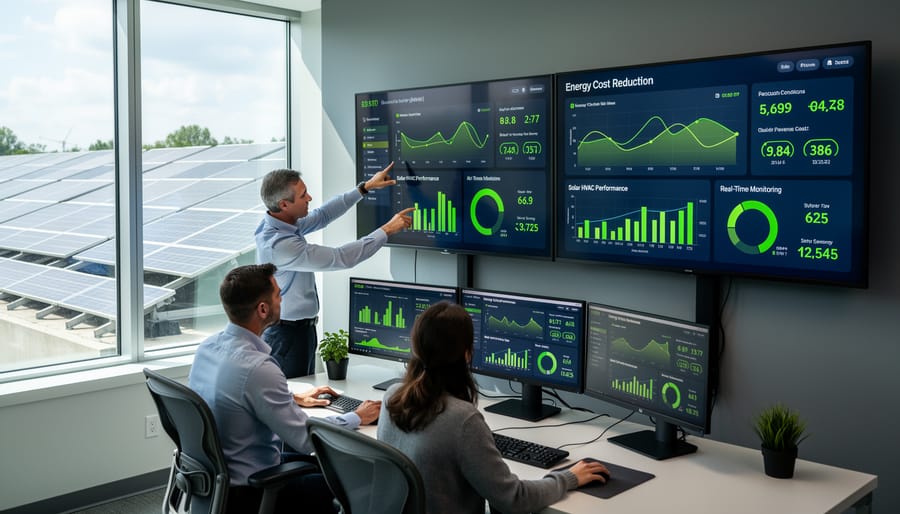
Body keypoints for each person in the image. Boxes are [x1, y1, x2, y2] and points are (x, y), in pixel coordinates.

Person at [377, 301, 609, 514]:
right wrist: (568, 478)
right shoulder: (462, 420)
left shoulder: (392, 397)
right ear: (467, 354)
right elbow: (513, 499)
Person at [188, 263, 381, 513]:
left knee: (323, 466)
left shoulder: (208, 347)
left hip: (216, 482)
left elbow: (234, 396)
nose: (283, 300)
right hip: (251, 491)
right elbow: (306, 440)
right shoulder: (258, 369)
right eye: (279, 294)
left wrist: (292, 398)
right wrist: (357, 416)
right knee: (354, 479)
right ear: (263, 309)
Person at [255, 162, 413, 378]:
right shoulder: (279, 245)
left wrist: (364, 188)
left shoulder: (281, 223)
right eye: (303, 195)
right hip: (287, 336)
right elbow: (340, 258)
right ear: (284, 204)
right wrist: (387, 230)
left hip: (297, 331)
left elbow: (323, 215)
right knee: (293, 398)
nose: (309, 198)